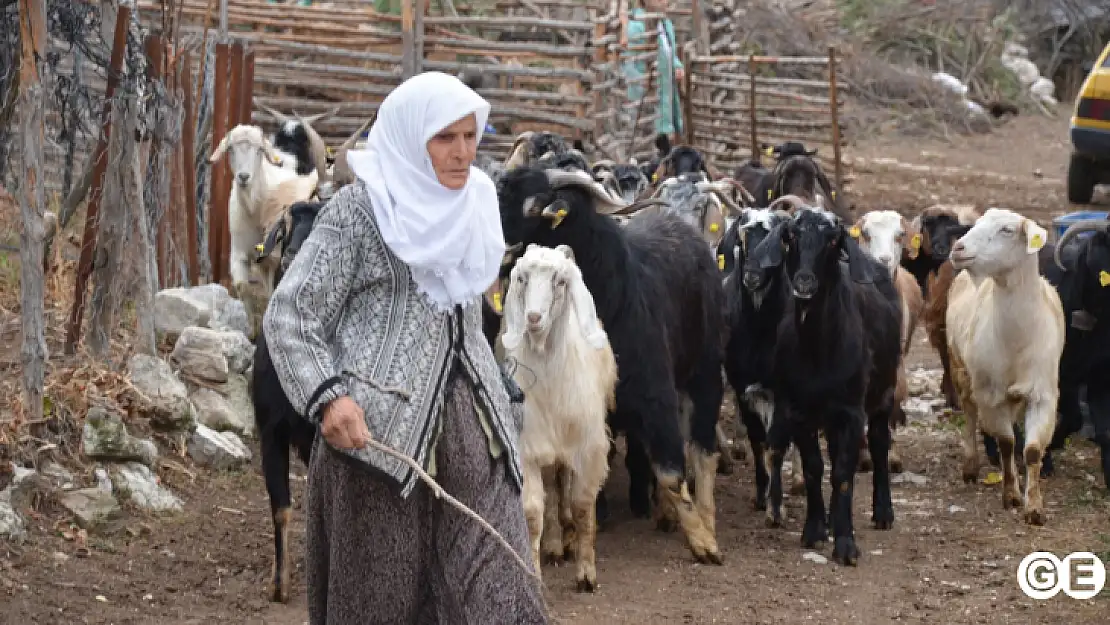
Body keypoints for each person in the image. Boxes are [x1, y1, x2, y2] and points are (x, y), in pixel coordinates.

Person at [262, 71, 549, 625]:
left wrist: (504, 394)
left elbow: (467, 319)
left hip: (477, 448)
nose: (462, 153)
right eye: (445, 138)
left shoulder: (477, 206)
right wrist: (328, 397)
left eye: (470, 136)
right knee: (382, 606)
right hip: (378, 454)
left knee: (504, 600)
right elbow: (291, 313)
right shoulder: (360, 214)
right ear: (410, 139)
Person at [623, 0, 684, 143]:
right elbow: (630, 66)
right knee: (644, 145)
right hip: (646, 103)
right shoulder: (636, 27)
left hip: (665, 99)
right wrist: (644, 84)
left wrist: (677, 66)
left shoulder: (665, 24)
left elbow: (669, 53)